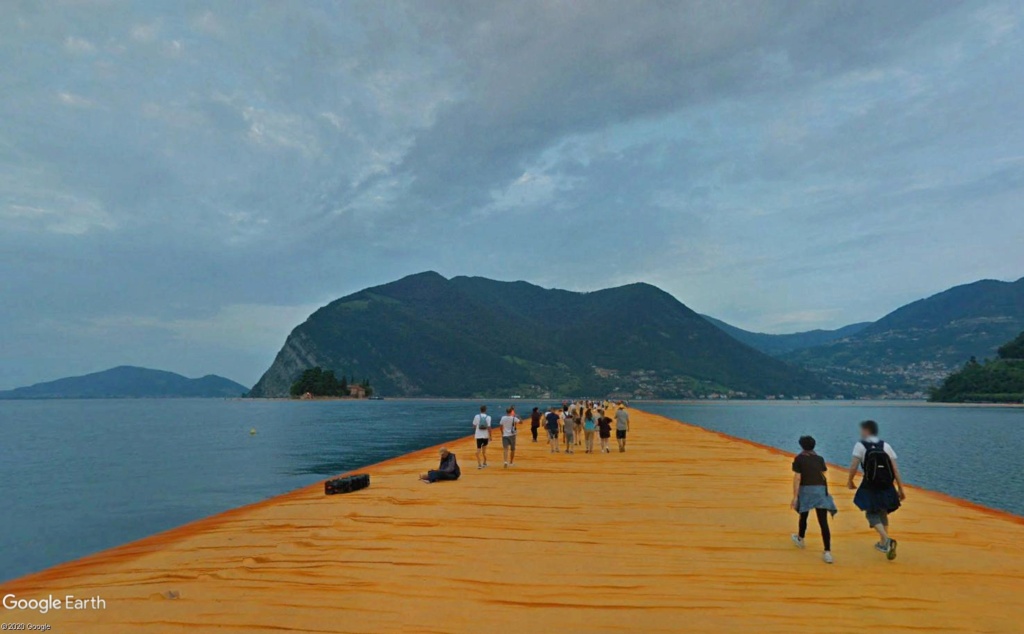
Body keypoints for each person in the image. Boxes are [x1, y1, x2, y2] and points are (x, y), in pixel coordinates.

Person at [847, 420, 905, 560]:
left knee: (871, 514)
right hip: (886, 484)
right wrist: (900, 488)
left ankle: (887, 540)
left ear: (866, 430)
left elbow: (854, 465)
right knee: (883, 511)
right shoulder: (885, 445)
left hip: (870, 484)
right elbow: (895, 469)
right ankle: (883, 543)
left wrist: (850, 480)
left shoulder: (860, 445)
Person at [790, 435, 837, 564]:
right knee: (823, 523)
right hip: (820, 491)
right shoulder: (820, 458)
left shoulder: (799, 459)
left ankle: (800, 539)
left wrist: (795, 497)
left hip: (806, 491)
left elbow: (797, 478)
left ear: (801, 446)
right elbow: (823, 473)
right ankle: (827, 552)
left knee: (803, 516)